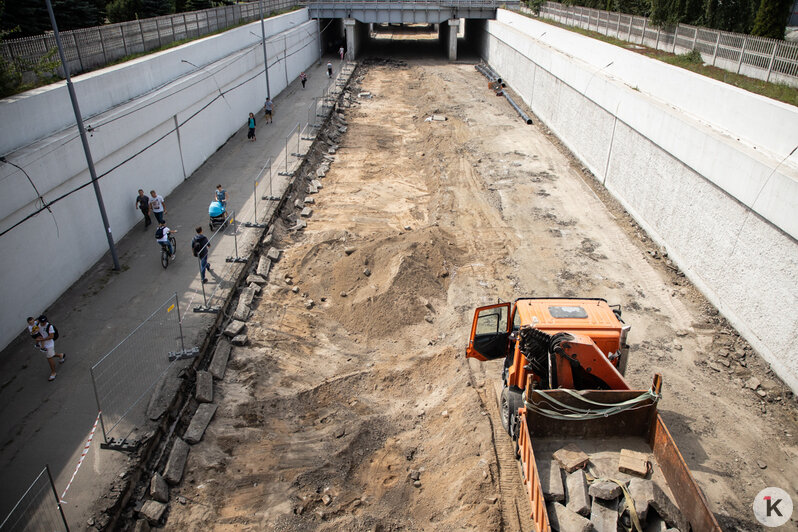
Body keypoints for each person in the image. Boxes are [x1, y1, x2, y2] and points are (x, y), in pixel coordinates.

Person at [36, 315, 65, 382]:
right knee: (51, 355)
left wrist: (43, 339)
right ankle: (61, 355)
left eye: (45, 321)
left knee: (49, 358)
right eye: (42, 322)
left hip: (49, 344)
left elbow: (51, 336)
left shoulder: (50, 326)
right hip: (43, 343)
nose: (44, 323)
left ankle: (53, 373)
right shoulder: (37, 325)